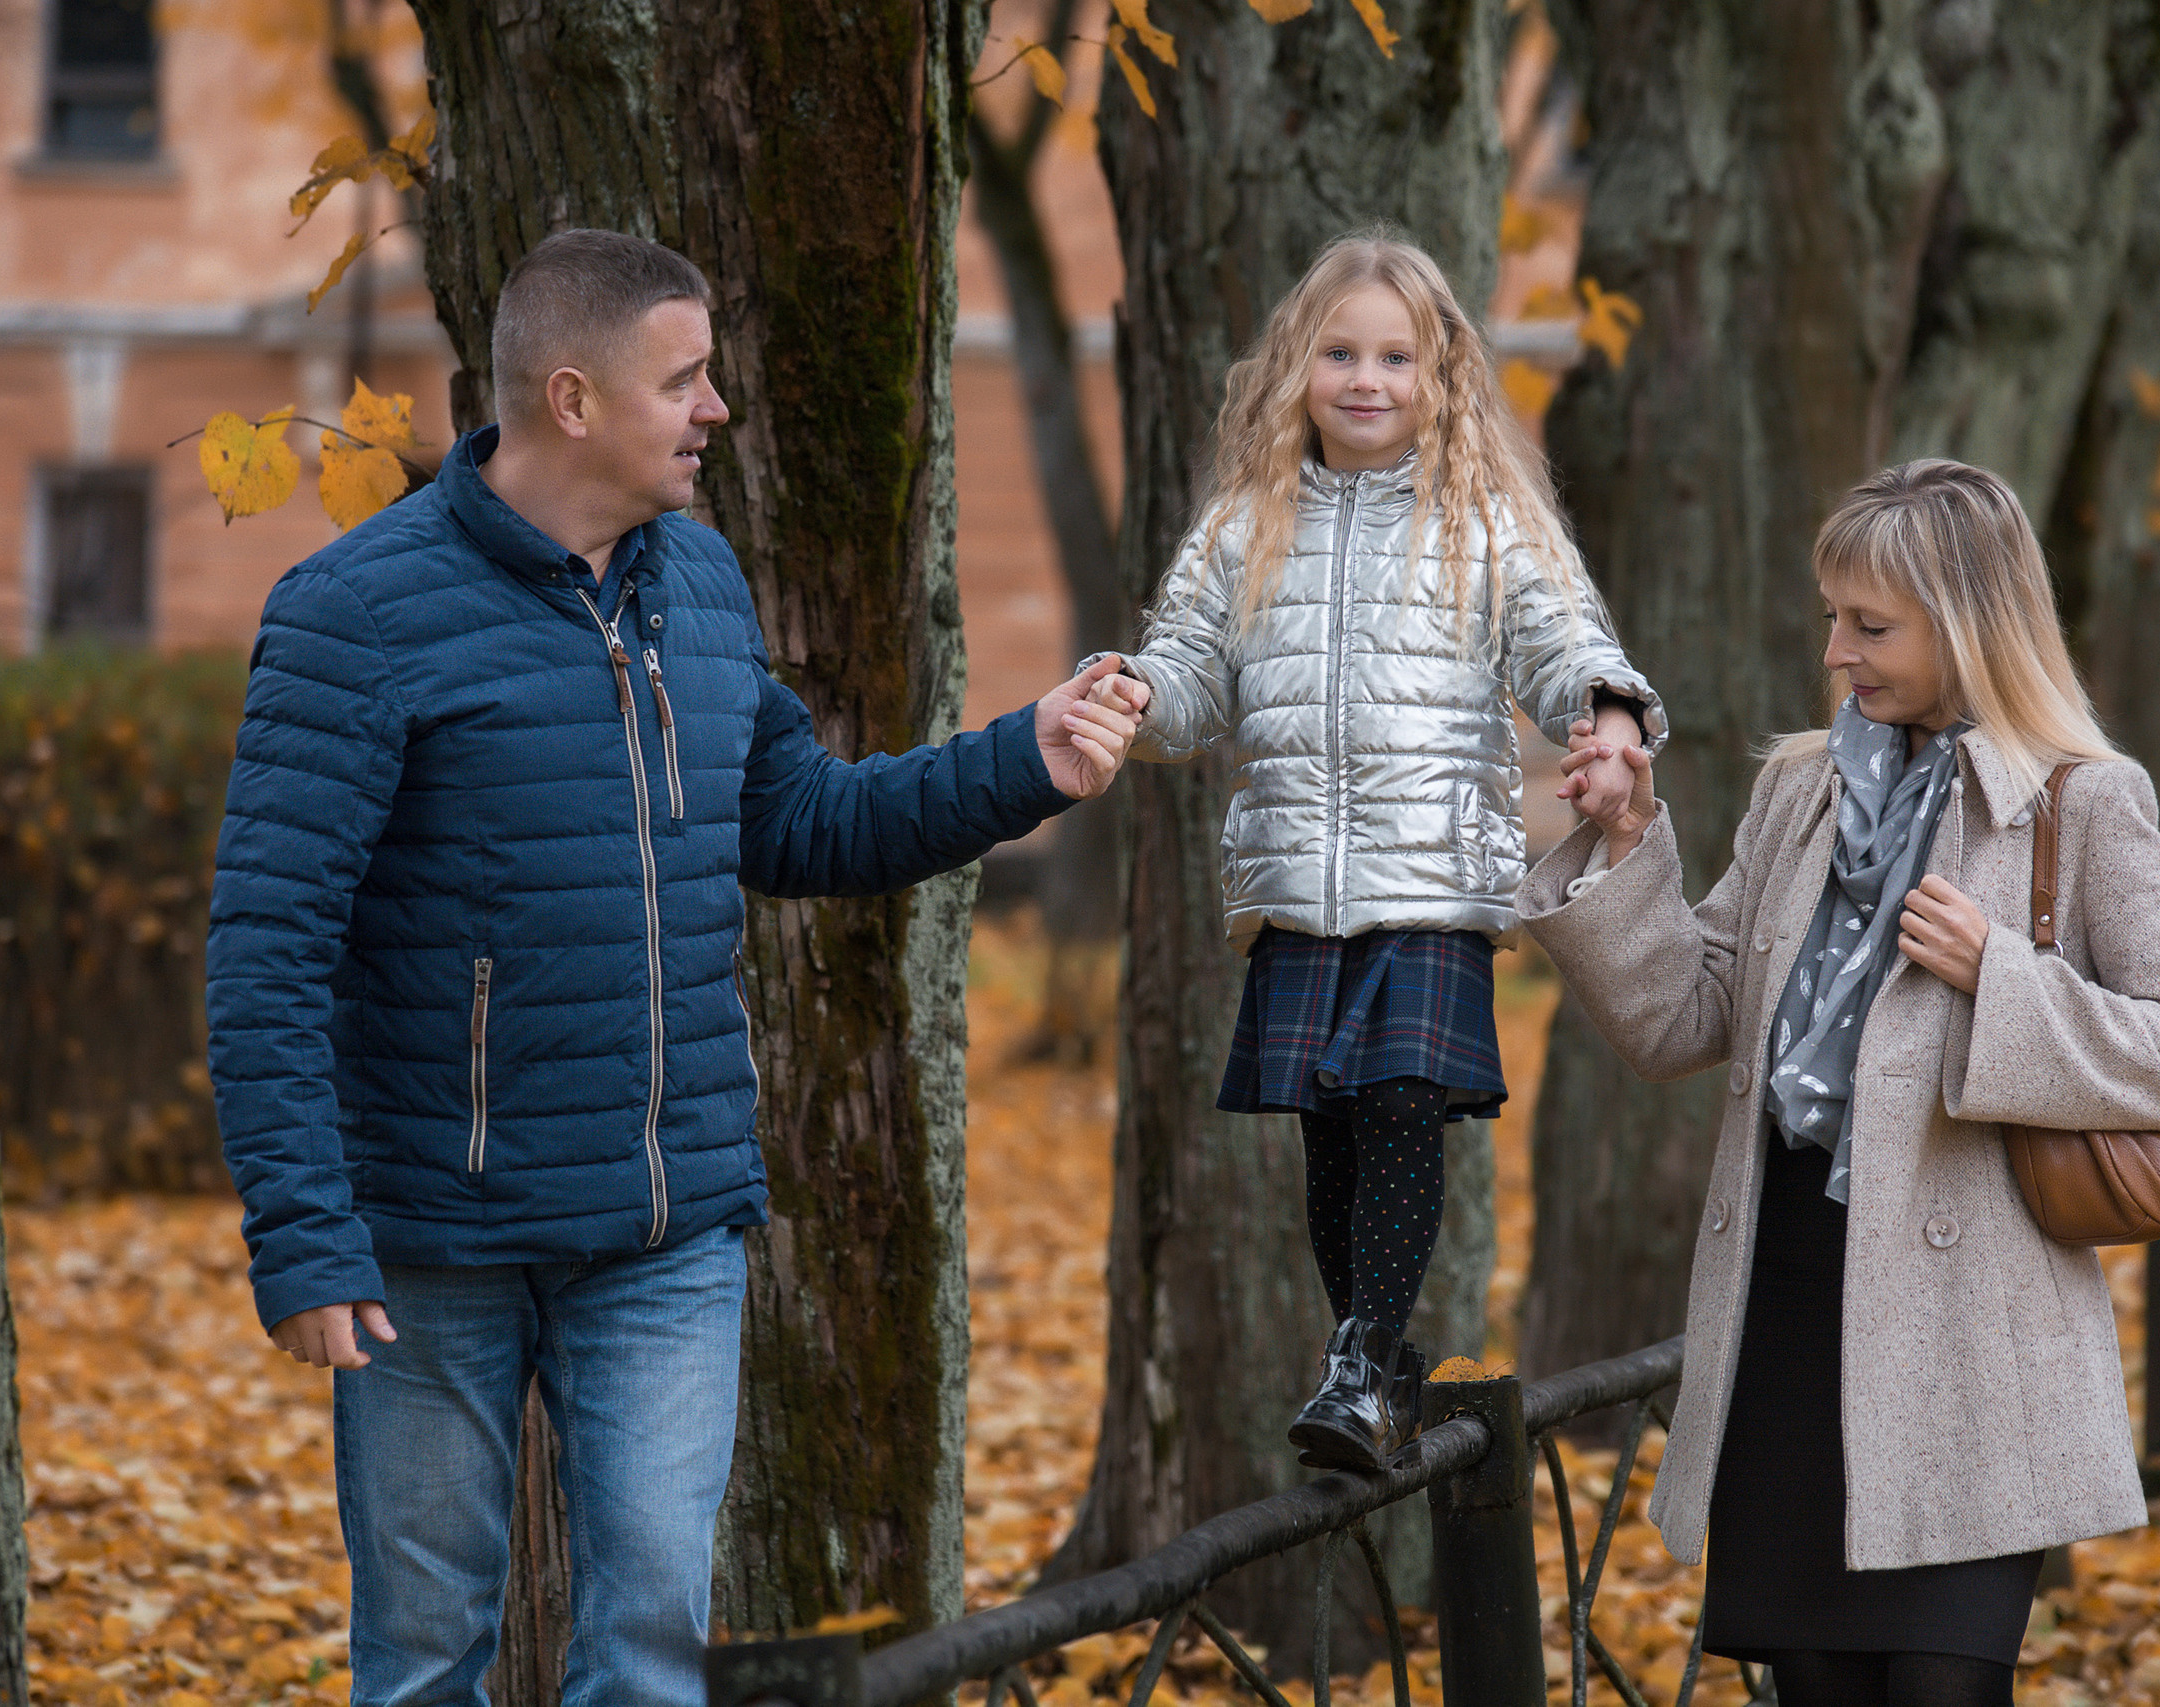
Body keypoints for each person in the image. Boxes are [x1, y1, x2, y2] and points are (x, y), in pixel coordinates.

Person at [204, 229, 1147, 1707]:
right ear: (573, 398)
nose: (717, 408)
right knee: (422, 1662)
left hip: (663, 1233)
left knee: (650, 1659)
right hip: (429, 1240)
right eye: (686, 378)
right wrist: (304, 1232)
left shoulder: (695, 584)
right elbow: (268, 941)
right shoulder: (355, 615)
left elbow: (801, 821)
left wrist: (1019, 759)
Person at [1524, 458, 2160, 1706]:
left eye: (1871, 625)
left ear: (1967, 624)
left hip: (1965, 1342)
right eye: (1830, 619)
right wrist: (1632, 842)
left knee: (1938, 1689)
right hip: (1791, 1318)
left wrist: (2001, 979)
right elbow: (1685, 1015)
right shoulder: (1799, 791)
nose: (1836, 655)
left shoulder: (2083, 803)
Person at [1089, 229, 1666, 1472]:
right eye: (1339, 352)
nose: (1366, 378)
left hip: (1432, 875)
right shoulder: (1246, 523)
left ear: (1440, 374)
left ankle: (1355, 1363)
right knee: (1332, 1130)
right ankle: (1380, 1363)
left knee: (1401, 1102)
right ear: (1295, 366)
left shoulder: (1483, 520)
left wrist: (1609, 716)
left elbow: (1563, 641)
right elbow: (1190, 676)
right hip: (1298, 878)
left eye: (1396, 356)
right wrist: (1131, 696)